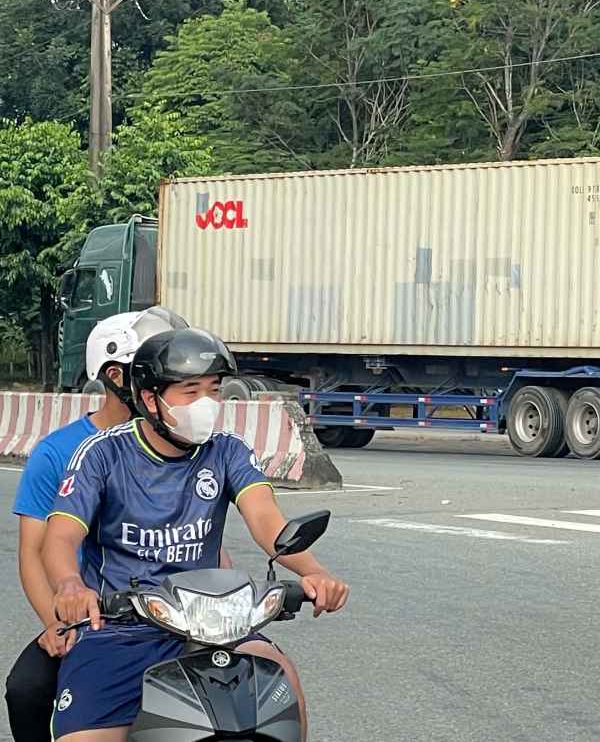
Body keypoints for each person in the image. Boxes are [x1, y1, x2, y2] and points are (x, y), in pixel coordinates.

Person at [42, 327, 348, 742]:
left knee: (284, 683)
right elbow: (60, 537)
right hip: (123, 627)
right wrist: (68, 585)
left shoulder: (228, 450)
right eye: (190, 391)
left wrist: (317, 575)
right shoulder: (103, 453)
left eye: (214, 390)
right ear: (150, 399)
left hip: (212, 625)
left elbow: (267, 522)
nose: (206, 404)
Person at [5, 307, 192, 742]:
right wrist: (55, 621)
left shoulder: (184, 444)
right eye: (155, 374)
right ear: (116, 377)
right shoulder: (58, 453)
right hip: (98, 617)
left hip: (180, 614)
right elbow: (35, 550)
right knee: (27, 691)